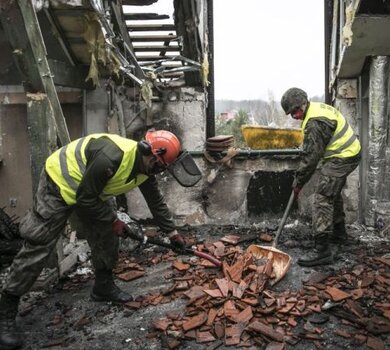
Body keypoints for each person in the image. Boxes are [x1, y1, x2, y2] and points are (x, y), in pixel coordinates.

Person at [0, 130, 188, 350]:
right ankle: (6, 312)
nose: (158, 171)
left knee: (107, 237)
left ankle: (103, 287)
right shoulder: (111, 158)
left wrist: (172, 233)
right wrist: (114, 220)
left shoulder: (147, 167)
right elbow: (85, 199)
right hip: (61, 183)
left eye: (162, 169)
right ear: (149, 152)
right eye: (158, 166)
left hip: (92, 189)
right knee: (40, 243)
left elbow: (155, 201)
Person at [281, 88, 361, 267]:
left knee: (322, 198)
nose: (294, 116)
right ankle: (340, 236)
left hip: (343, 156)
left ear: (303, 104)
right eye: (291, 113)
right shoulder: (315, 109)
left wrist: (299, 181)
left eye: (295, 111)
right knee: (333, 192)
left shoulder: (315, 122)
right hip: (347, 153)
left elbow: (311, 159)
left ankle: (322, 250)